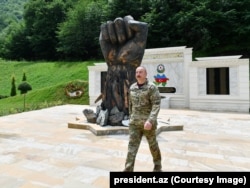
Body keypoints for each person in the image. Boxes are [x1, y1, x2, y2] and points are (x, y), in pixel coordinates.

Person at [123, 66, 162, 172]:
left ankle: (158, 165)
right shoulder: (132, 87)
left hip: (147, 123)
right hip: (134, 123)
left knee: (153, 145)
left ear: (146, 74)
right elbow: (131, 104)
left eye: (140, 72)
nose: (138, 74)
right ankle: (128, 169)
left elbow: (156, 104)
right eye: (136, 72)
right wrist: (131, 117)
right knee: (132, 147)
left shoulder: (152, 87)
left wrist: (151, 120)